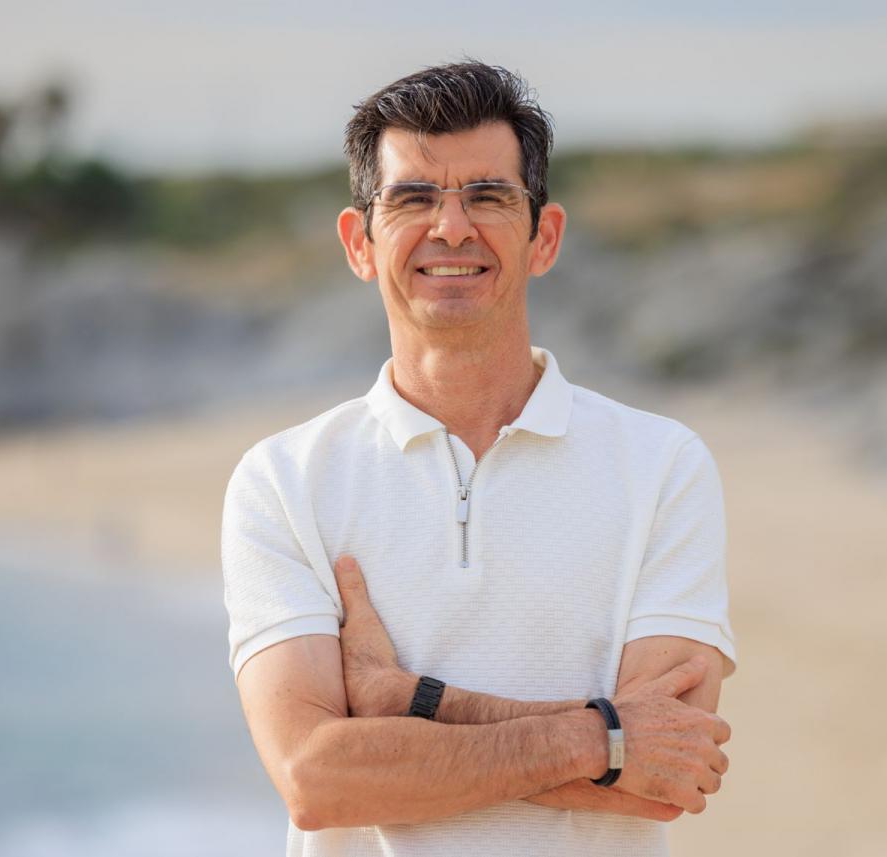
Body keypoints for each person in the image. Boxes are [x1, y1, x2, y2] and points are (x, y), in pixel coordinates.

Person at [221, 61, 737, 857]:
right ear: (359, 243)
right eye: (413, 199)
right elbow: (318, 779)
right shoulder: (282, 481)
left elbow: (666, 774)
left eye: (489, 196)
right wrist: (601, 738)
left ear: (544, 237)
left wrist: (406, 702)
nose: (453, 228)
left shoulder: (663, 465)